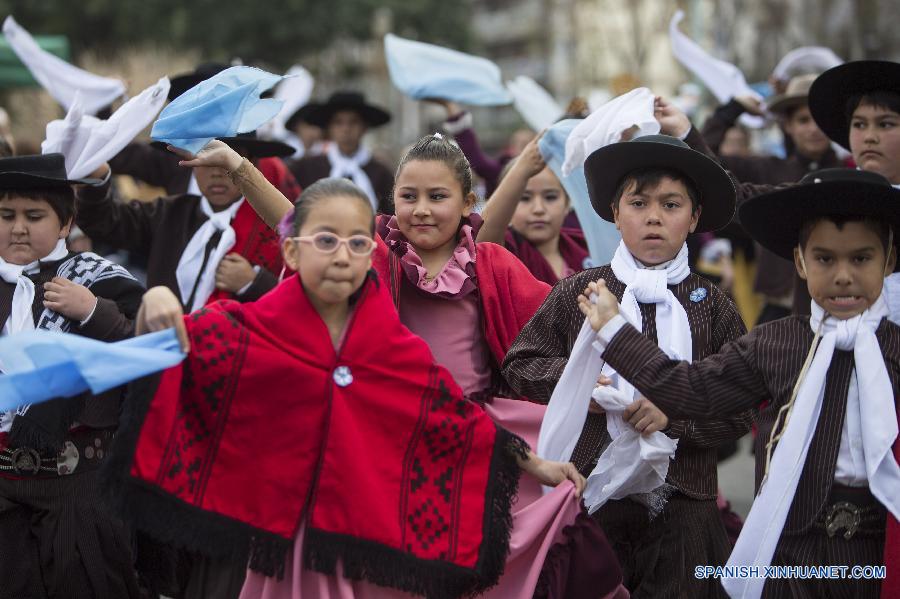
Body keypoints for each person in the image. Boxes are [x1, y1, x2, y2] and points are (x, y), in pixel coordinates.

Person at [174, 137, 628, 598]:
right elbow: (298, 224)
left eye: (438, 197)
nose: (422, 210)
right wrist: (238, 167)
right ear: (392, 198)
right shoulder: (374, 254)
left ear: (468, 202)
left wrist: (604, 372)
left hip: (473, 433)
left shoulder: (492, 264)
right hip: (386, 435)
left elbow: (560, 322)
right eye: (409, 197)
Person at [583, 168, 899, 598]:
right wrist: (618, 335)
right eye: (825, 258)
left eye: (861, 258)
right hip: (791, 549)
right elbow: (691, 389)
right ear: (801, 262)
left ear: (890, 260)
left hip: (882, 547)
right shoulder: (776, 343)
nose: (843, 275)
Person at [502, 135, 756, 598]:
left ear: (694, 217)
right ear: (615, 214)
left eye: (671, 204)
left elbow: (743, 404)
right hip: (591, 493)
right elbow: (519, 365)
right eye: (638, 203)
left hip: (687, 506)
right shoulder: (581, 292)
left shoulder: (713, 304)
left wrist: (674, 416)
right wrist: (582, 387)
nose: (654, 217)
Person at [0, 153, 145, 598]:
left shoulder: (100, 281)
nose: (18, 227)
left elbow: (144, 358)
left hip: (78, 488)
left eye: (34, 215)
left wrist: (93, 312)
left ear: (66, 225)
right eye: (5, 215)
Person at [74, 134, 292, 313]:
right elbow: (103, 221)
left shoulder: (273, 227)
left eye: (226, 163)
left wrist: (254, 283)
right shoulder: (171, 212)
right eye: (206, 159)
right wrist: (98, 180)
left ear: (249, 167)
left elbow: (302, 299)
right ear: (192, 166)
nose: (216, 173)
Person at [703, 74, 846, 325]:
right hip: (778, 310)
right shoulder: (767, 169)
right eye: (803, 120)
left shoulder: (850, 173)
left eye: (819, 120)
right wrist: (731, 111)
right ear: (788, 125)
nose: (813, 128)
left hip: (841, 309)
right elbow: (705, 161)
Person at [476, 134, 589, 285]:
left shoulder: (584, 246)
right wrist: (521, 170)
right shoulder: (507, 249)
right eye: (524, 198)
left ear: (567, 203)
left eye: (550, 197)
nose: (538, 209)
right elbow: (481, 238)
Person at [287, 92, 394, 214]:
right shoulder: (306, 168)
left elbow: (390, 218)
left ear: (364, 127)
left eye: (353, 122)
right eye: (338, 122)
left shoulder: (381, 172)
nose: (346, 129)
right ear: (329, 128)